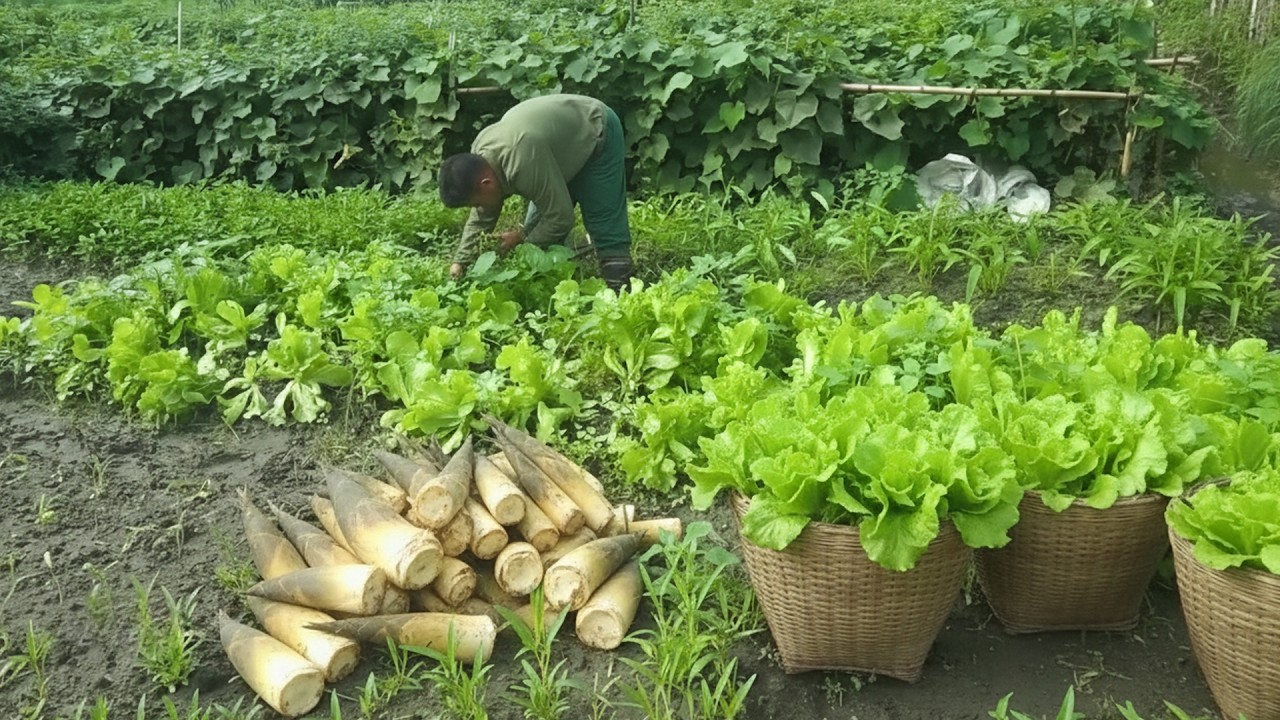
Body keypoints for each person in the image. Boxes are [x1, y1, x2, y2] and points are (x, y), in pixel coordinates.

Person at [438, 93, 634, 290]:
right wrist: (460, 261)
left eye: (477, 204)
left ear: (486, 183)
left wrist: (522, 237)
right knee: (538, 231)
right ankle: (559, 282)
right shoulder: (481, 158)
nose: (479, 209)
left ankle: (619, 286)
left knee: (603, 217)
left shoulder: (522, 162)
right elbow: (482, 218)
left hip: (595, 127)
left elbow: (561, 218)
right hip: (554, 148)